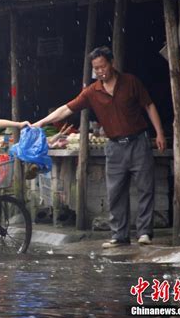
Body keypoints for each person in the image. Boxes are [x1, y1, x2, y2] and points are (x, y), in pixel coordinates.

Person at [33, 46, 166, 248]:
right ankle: (119, 236)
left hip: (138, 141)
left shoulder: (130, 82)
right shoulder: (92, 92)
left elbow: (149, 105)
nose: (100, 71)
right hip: (114, 147)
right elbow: (66, 109)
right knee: (115, 192)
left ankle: (144, 233)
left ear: (112, 63)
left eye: (103, 66)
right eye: (96, 68)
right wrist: (41, 122)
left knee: (145, 188)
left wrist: (160, 133)